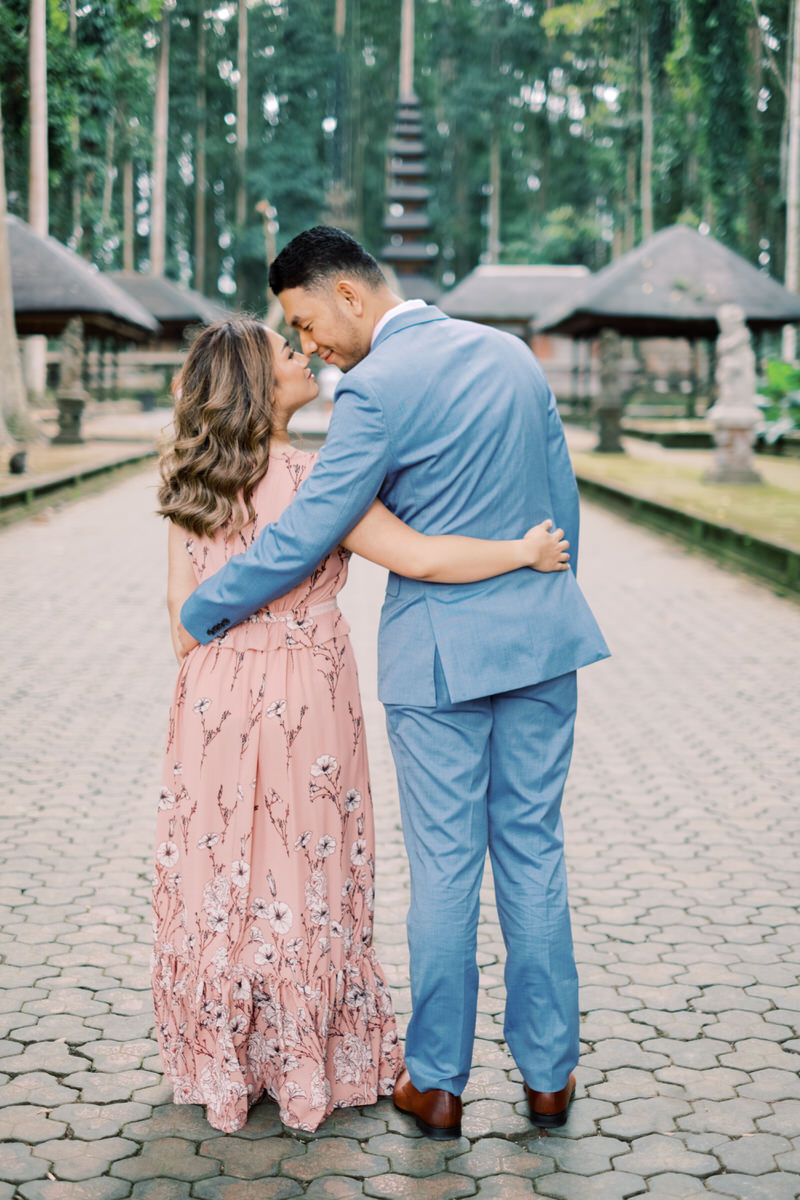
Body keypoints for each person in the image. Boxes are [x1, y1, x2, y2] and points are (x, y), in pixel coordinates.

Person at [178, 228, 610, 1139]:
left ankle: (440, 1083)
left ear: (347, 292)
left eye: (305, 322)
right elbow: (561, 505)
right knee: (534, 853)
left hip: (439, 664)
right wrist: (541, 594)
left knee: (448, 867)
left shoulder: (376, 388)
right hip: (543, 640)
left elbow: (304, 533)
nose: (313, 347)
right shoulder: (512, 357)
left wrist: (202, 609)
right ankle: (549, 1077)